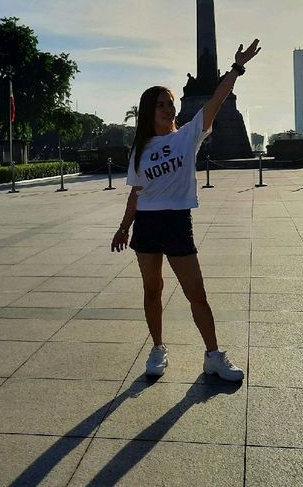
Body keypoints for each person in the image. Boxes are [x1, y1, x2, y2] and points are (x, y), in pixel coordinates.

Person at [111, 39, 261, 381]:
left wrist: (236, 68)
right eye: (161, 105)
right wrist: (123, 228)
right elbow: (136, 193)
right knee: (152, 289)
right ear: (149, 111)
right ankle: (158, 349)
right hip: (147, 224)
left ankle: (212, 356)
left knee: (197, 293)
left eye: (170, 103)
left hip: (177, 221)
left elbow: (216, 100)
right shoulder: (140, 149)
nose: (168, 109)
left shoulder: (188, 135)